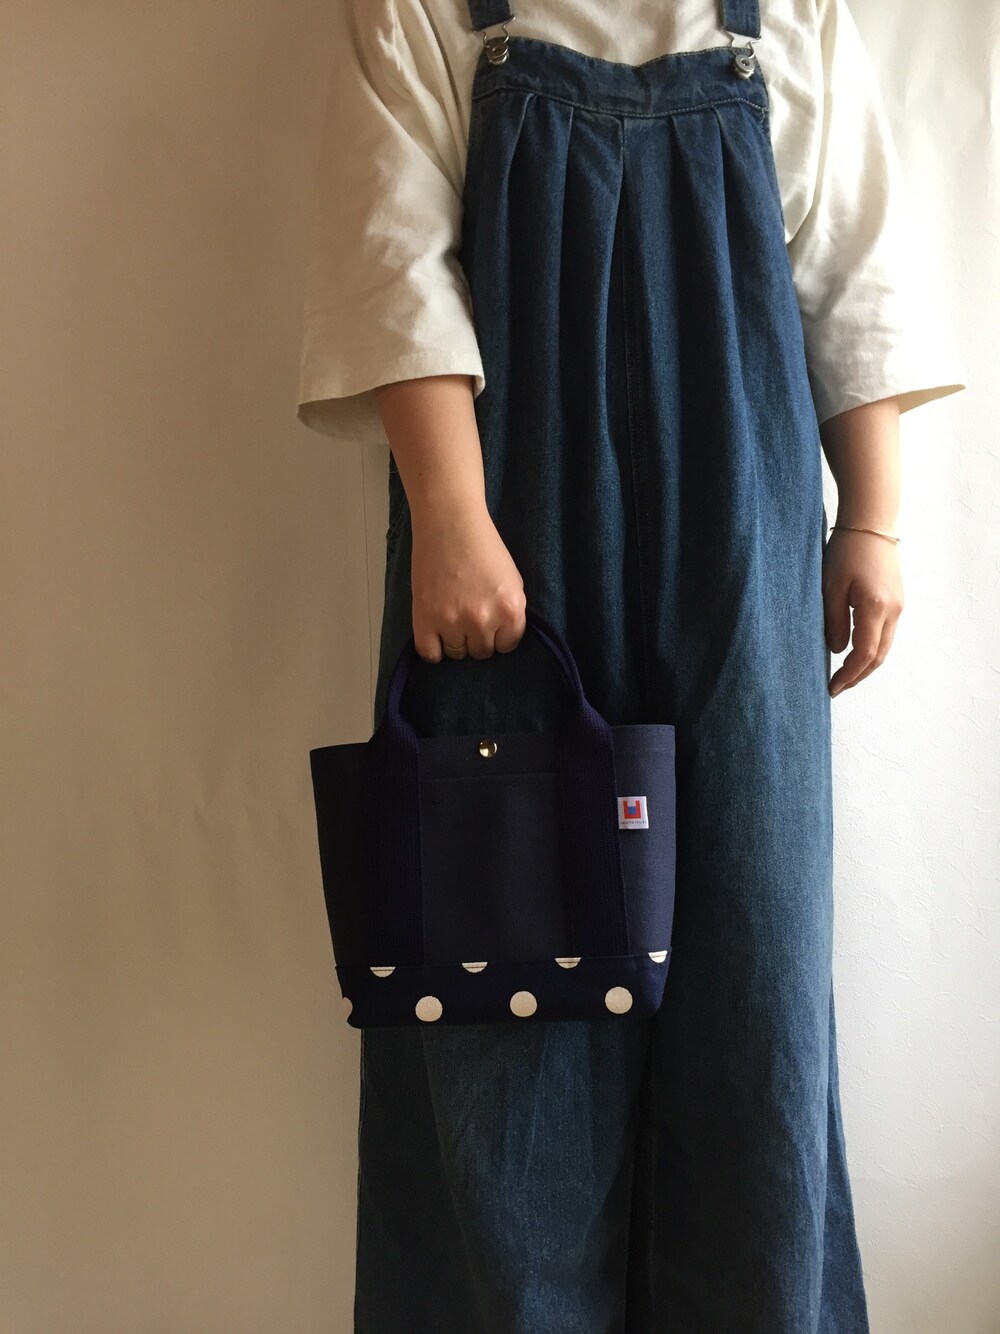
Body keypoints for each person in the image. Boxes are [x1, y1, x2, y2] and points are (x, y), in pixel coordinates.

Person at [297, 1, 966, 1330]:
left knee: (755, 966)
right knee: (503, 988)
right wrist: (448, 516)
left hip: (746, 549)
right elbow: (392, 256)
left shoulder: (785, 14)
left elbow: (851, 263)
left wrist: (873, 520)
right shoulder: (431, 9)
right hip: (507, 554)